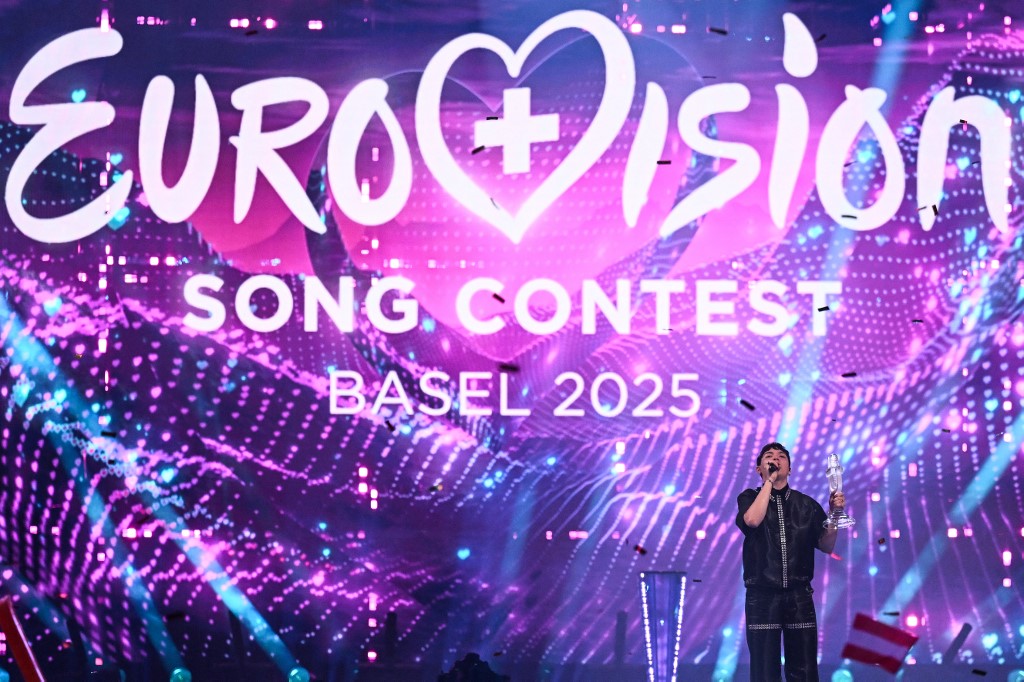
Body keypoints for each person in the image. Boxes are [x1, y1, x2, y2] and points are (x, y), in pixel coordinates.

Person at [735, 442, 845, 682]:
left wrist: (834, 515)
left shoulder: (806, 504)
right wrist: (769, 482)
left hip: (799, 595)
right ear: (759, 468)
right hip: (762, 596)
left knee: (804, 669)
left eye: (781, 456)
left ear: (790, 468)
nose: (776, 459)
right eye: (769, 456)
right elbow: (752, 521)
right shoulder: (749, 498)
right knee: (764, 671)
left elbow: (826, 545)